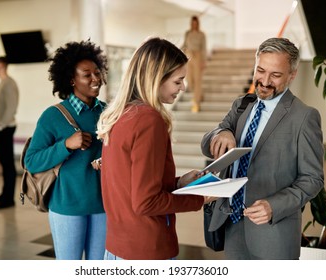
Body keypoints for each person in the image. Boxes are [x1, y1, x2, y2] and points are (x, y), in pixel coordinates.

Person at [201, 37, 324, 260]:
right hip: (232, 225)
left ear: (292, 75)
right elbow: (206, 143)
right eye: (260, 70)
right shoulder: (241, 105)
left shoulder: (304, 117)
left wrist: (273, 206)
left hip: (273, 234)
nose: (265, 81)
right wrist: (221, 133)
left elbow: (312, 179)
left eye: (275, 75)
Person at [97, 37, 215, 260]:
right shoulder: (148, 120)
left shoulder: (121, 115)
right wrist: (201, 198)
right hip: (146, 249)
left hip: (118, 245)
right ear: (156, 79)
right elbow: (146, 202)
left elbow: (131, 185)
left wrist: (179, 183)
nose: (182, 87)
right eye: (178, 81)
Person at [24, 40, 108, 260]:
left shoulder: (108, 113)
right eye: (87, 74)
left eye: (97, 73)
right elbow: (31, 161)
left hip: (103, 205)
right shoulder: (52, 116)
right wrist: (65, 145)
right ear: (71, 79)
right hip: (67, 206)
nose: (95, 79)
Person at [0, 56, 19, 210]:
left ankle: (8, 199)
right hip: (1, 128)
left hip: (5, 128)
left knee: (7, 164)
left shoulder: (9, 83)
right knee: (4, 163)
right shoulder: (3, 83)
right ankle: (4, 194)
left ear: (1, 65)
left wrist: (0, 126)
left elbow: (11, 107)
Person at [182, 15, 207, 113]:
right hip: (189, 55)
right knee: (189, 80)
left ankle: (196, 103)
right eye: (193, 23)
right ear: (191, 24)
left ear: (198, 24)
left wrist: (203, 61)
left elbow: (204, 48)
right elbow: (184, 44)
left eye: (196, 23)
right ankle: (200, 95)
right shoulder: (187, 33)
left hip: (198, 56)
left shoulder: (201, 34)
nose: (194, 25)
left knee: (197, 80)